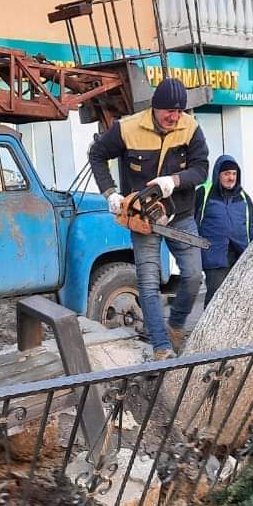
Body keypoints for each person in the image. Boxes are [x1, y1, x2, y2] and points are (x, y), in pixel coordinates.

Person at [88, 77, 207, 359]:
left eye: (179, 111)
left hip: (180, 214)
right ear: (155, 107)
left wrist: (175, 180)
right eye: (169, 111)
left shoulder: (190, 128)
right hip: (143, 218)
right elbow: (97, 154)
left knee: (192, 276)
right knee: (149, 282)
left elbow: (202, 168)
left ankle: (175, 325)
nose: (174, 117)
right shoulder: (127, 128)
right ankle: (161, 346)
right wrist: (110, 193)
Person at [194, 155, 253, 307]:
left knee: (240, 297)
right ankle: (209, 330)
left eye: (234, 174)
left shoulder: (244, 197)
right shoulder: (204, 193)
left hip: (241, 255)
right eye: (227, 174)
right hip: (214, 255)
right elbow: (191, 220)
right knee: (215, 296)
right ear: (218, 175)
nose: (231, 178)